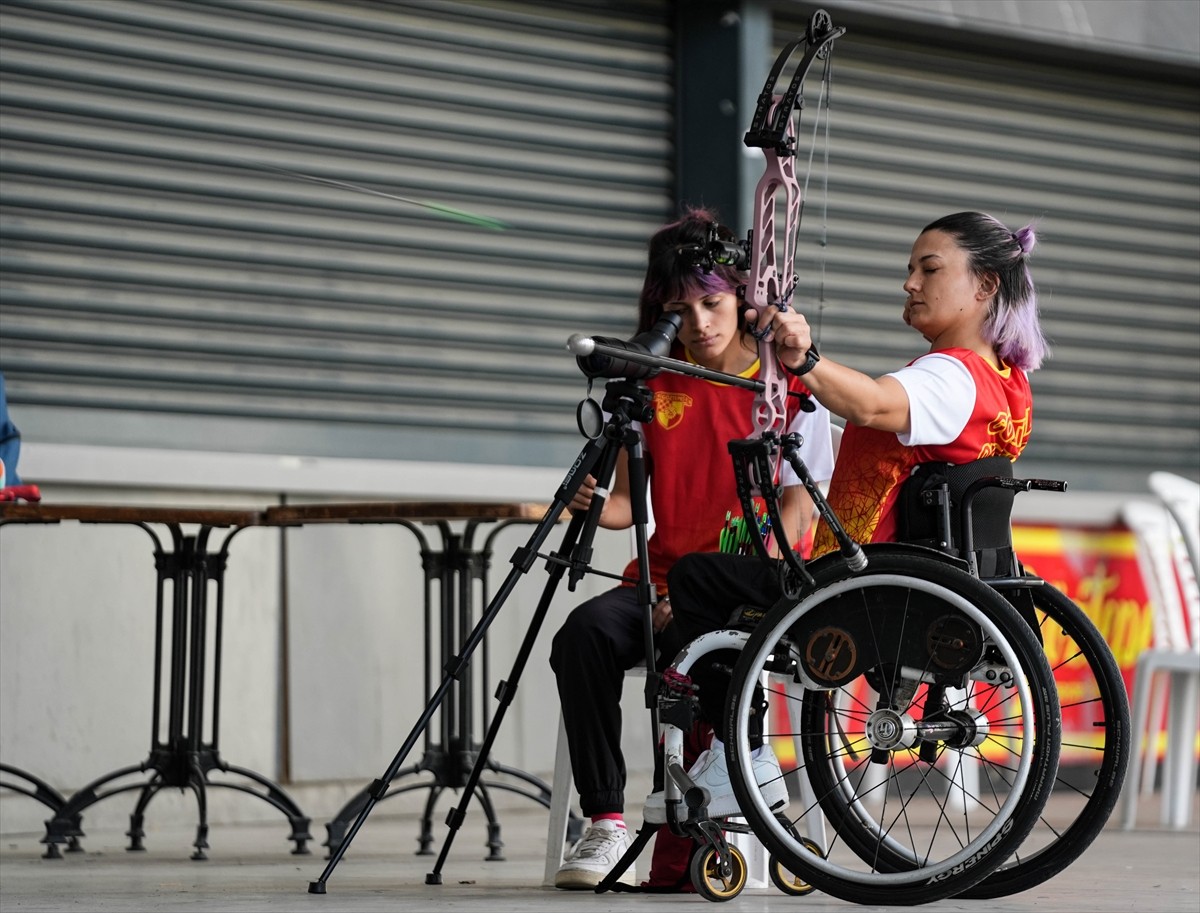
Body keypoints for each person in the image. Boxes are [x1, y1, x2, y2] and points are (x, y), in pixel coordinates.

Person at [666, 209, 1048, 731]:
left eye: (930, 269)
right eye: (911, 270)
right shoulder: (1007, 381)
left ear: (985, 285)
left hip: (861, 588)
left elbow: (869, 404)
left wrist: (804, 360)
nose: (910, 283)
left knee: (695, 578)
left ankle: (736, 749)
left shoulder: (950, 377)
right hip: (921, 586)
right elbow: (896, 452)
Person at [549, 208, 835, 889]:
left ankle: (698, 825)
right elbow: (628, 505)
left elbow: (799, 511)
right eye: (681, 310)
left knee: (694, 652)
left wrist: (710, 593)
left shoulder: (789, 384)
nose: (700, 323)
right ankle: (606, 820)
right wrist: (586, 501)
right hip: (656, 580)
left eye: (713, 303)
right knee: (581, 635)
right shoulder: (653, 381)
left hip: (742, 591)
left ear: (742, 299)